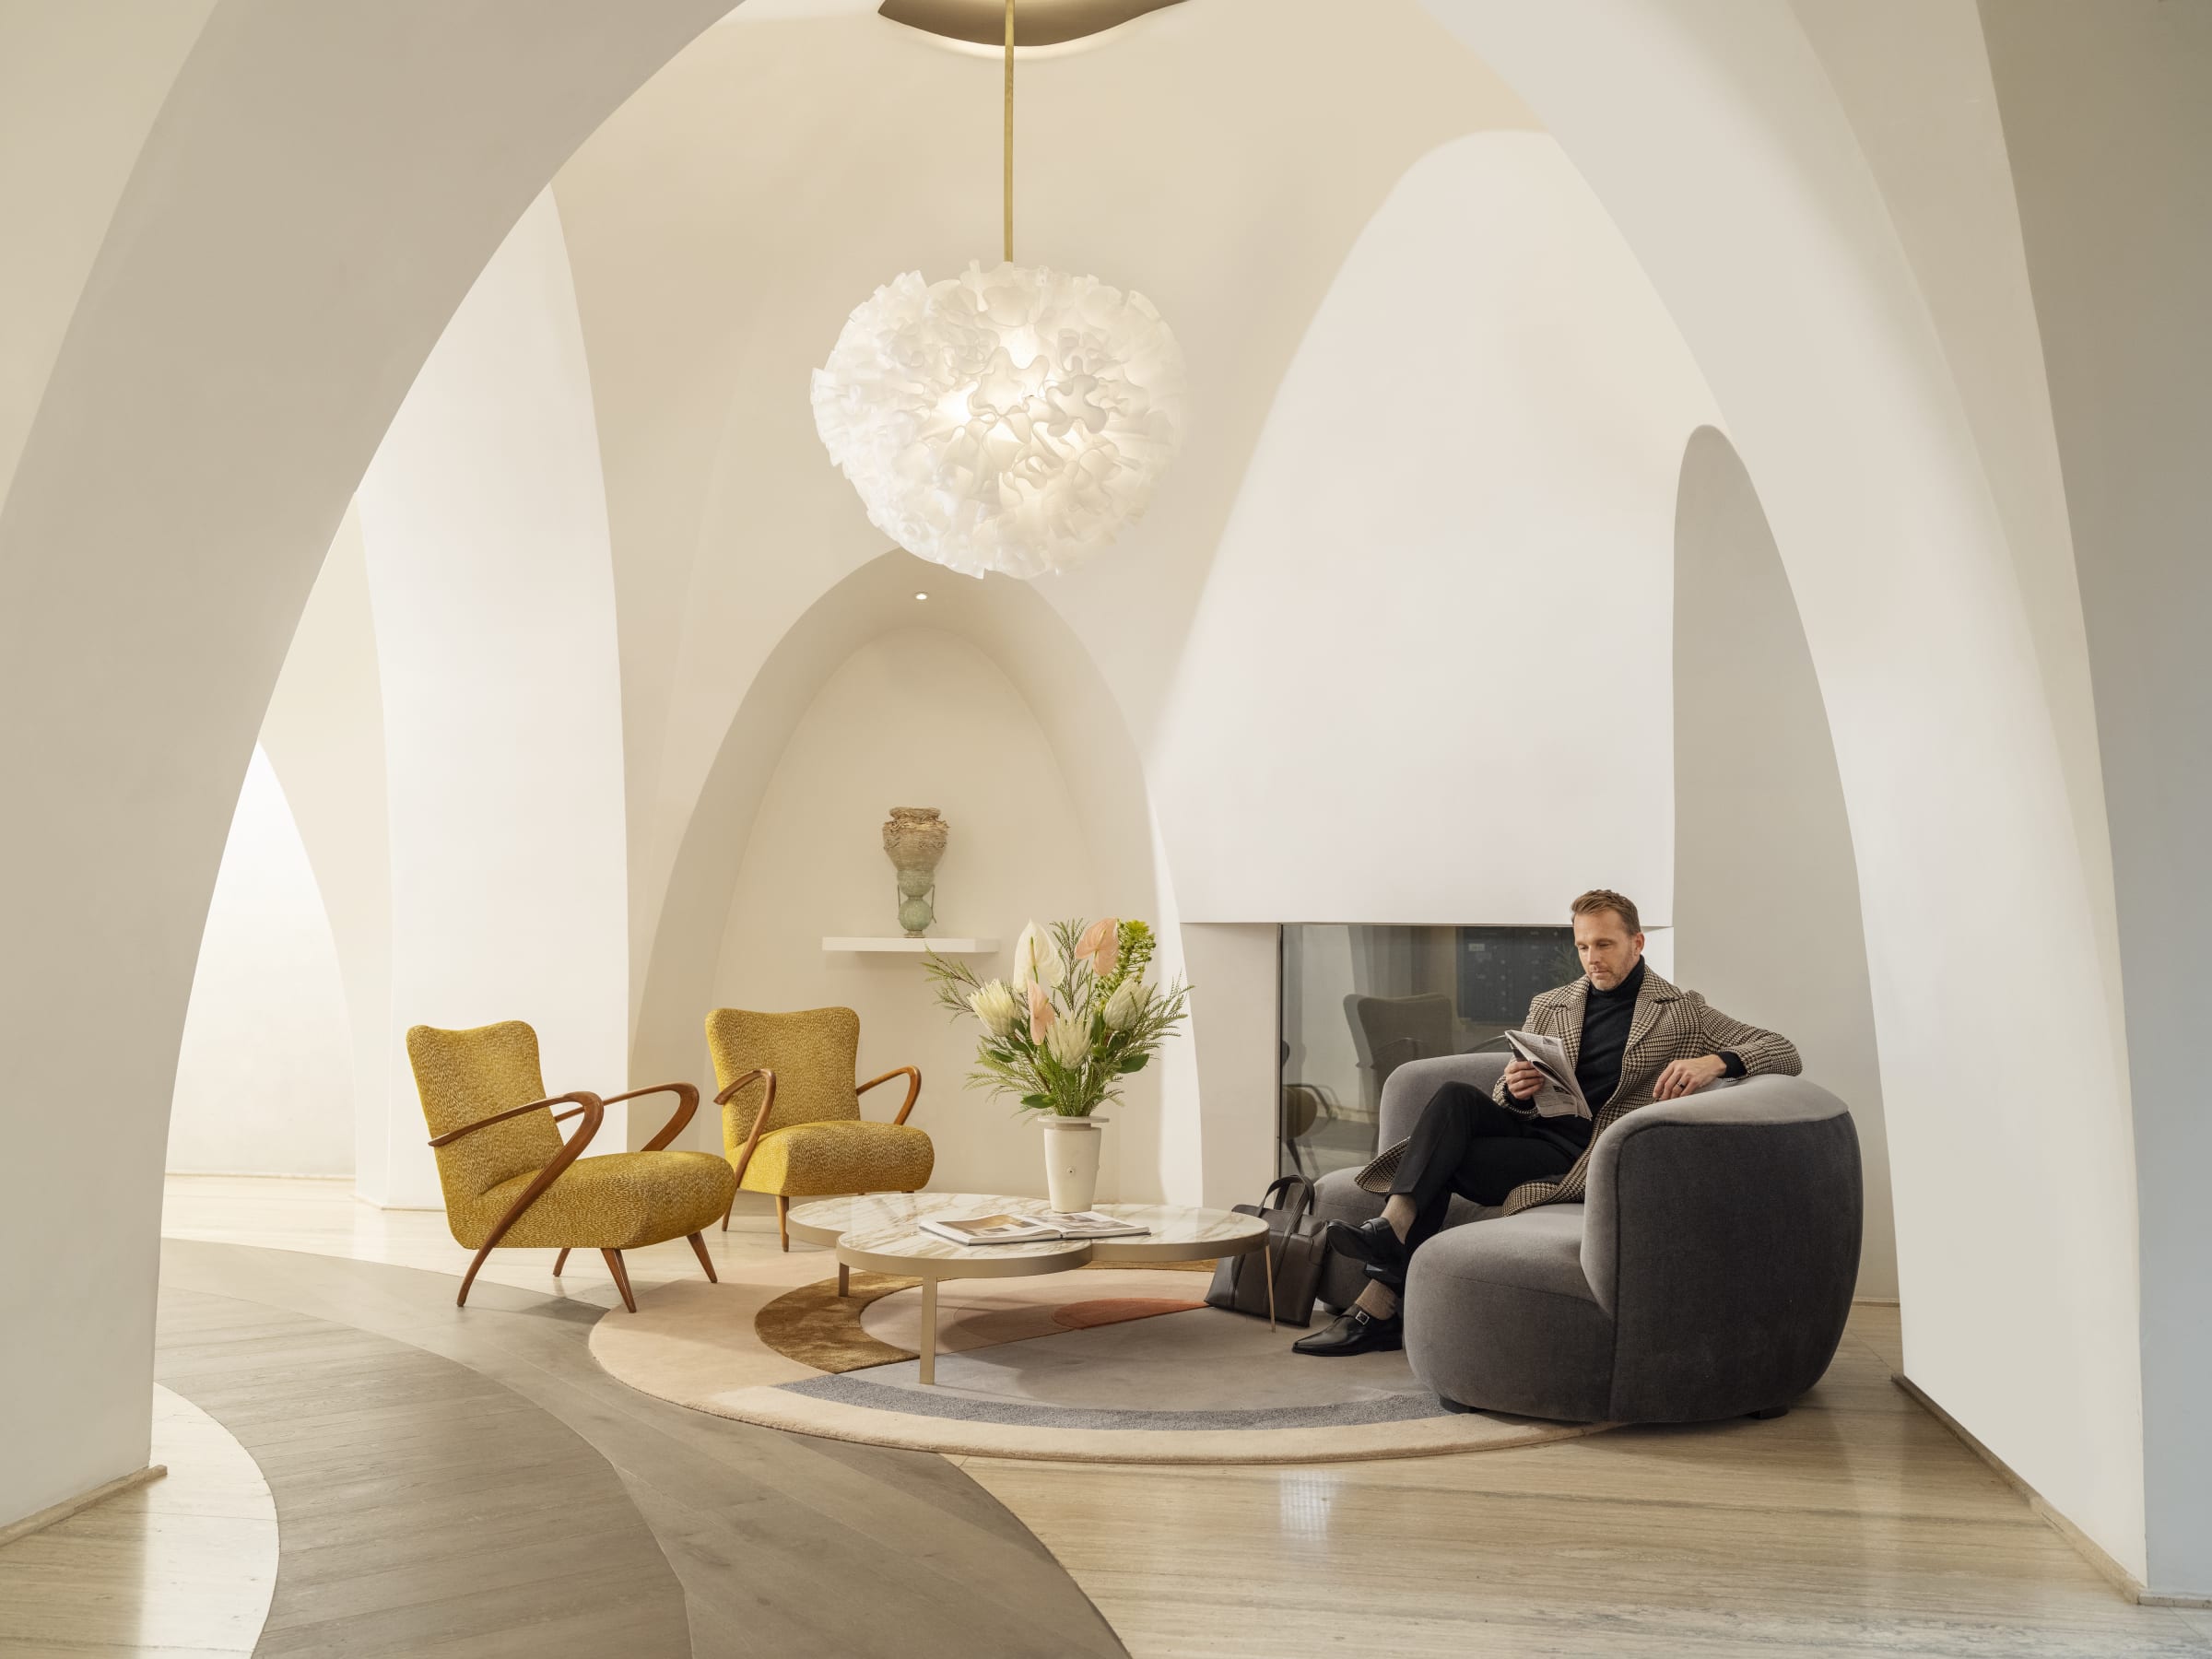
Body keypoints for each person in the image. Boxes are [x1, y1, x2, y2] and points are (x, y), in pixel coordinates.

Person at [1292, 888, 1800, 1357]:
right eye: (1583, 946)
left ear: (1637, 942)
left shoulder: (1683, 1013)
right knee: (1453, 1098)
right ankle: (1393, 1228)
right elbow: (1506, 1098)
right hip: (1532, 1131)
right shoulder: (1551, 1004)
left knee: (1438, 1166)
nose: (1592, 958)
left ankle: (1377, 1302)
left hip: (1576, 1159)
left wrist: (1716, 1063)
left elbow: (1783, 1050)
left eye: (1604, 944)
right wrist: (1515, 1089)